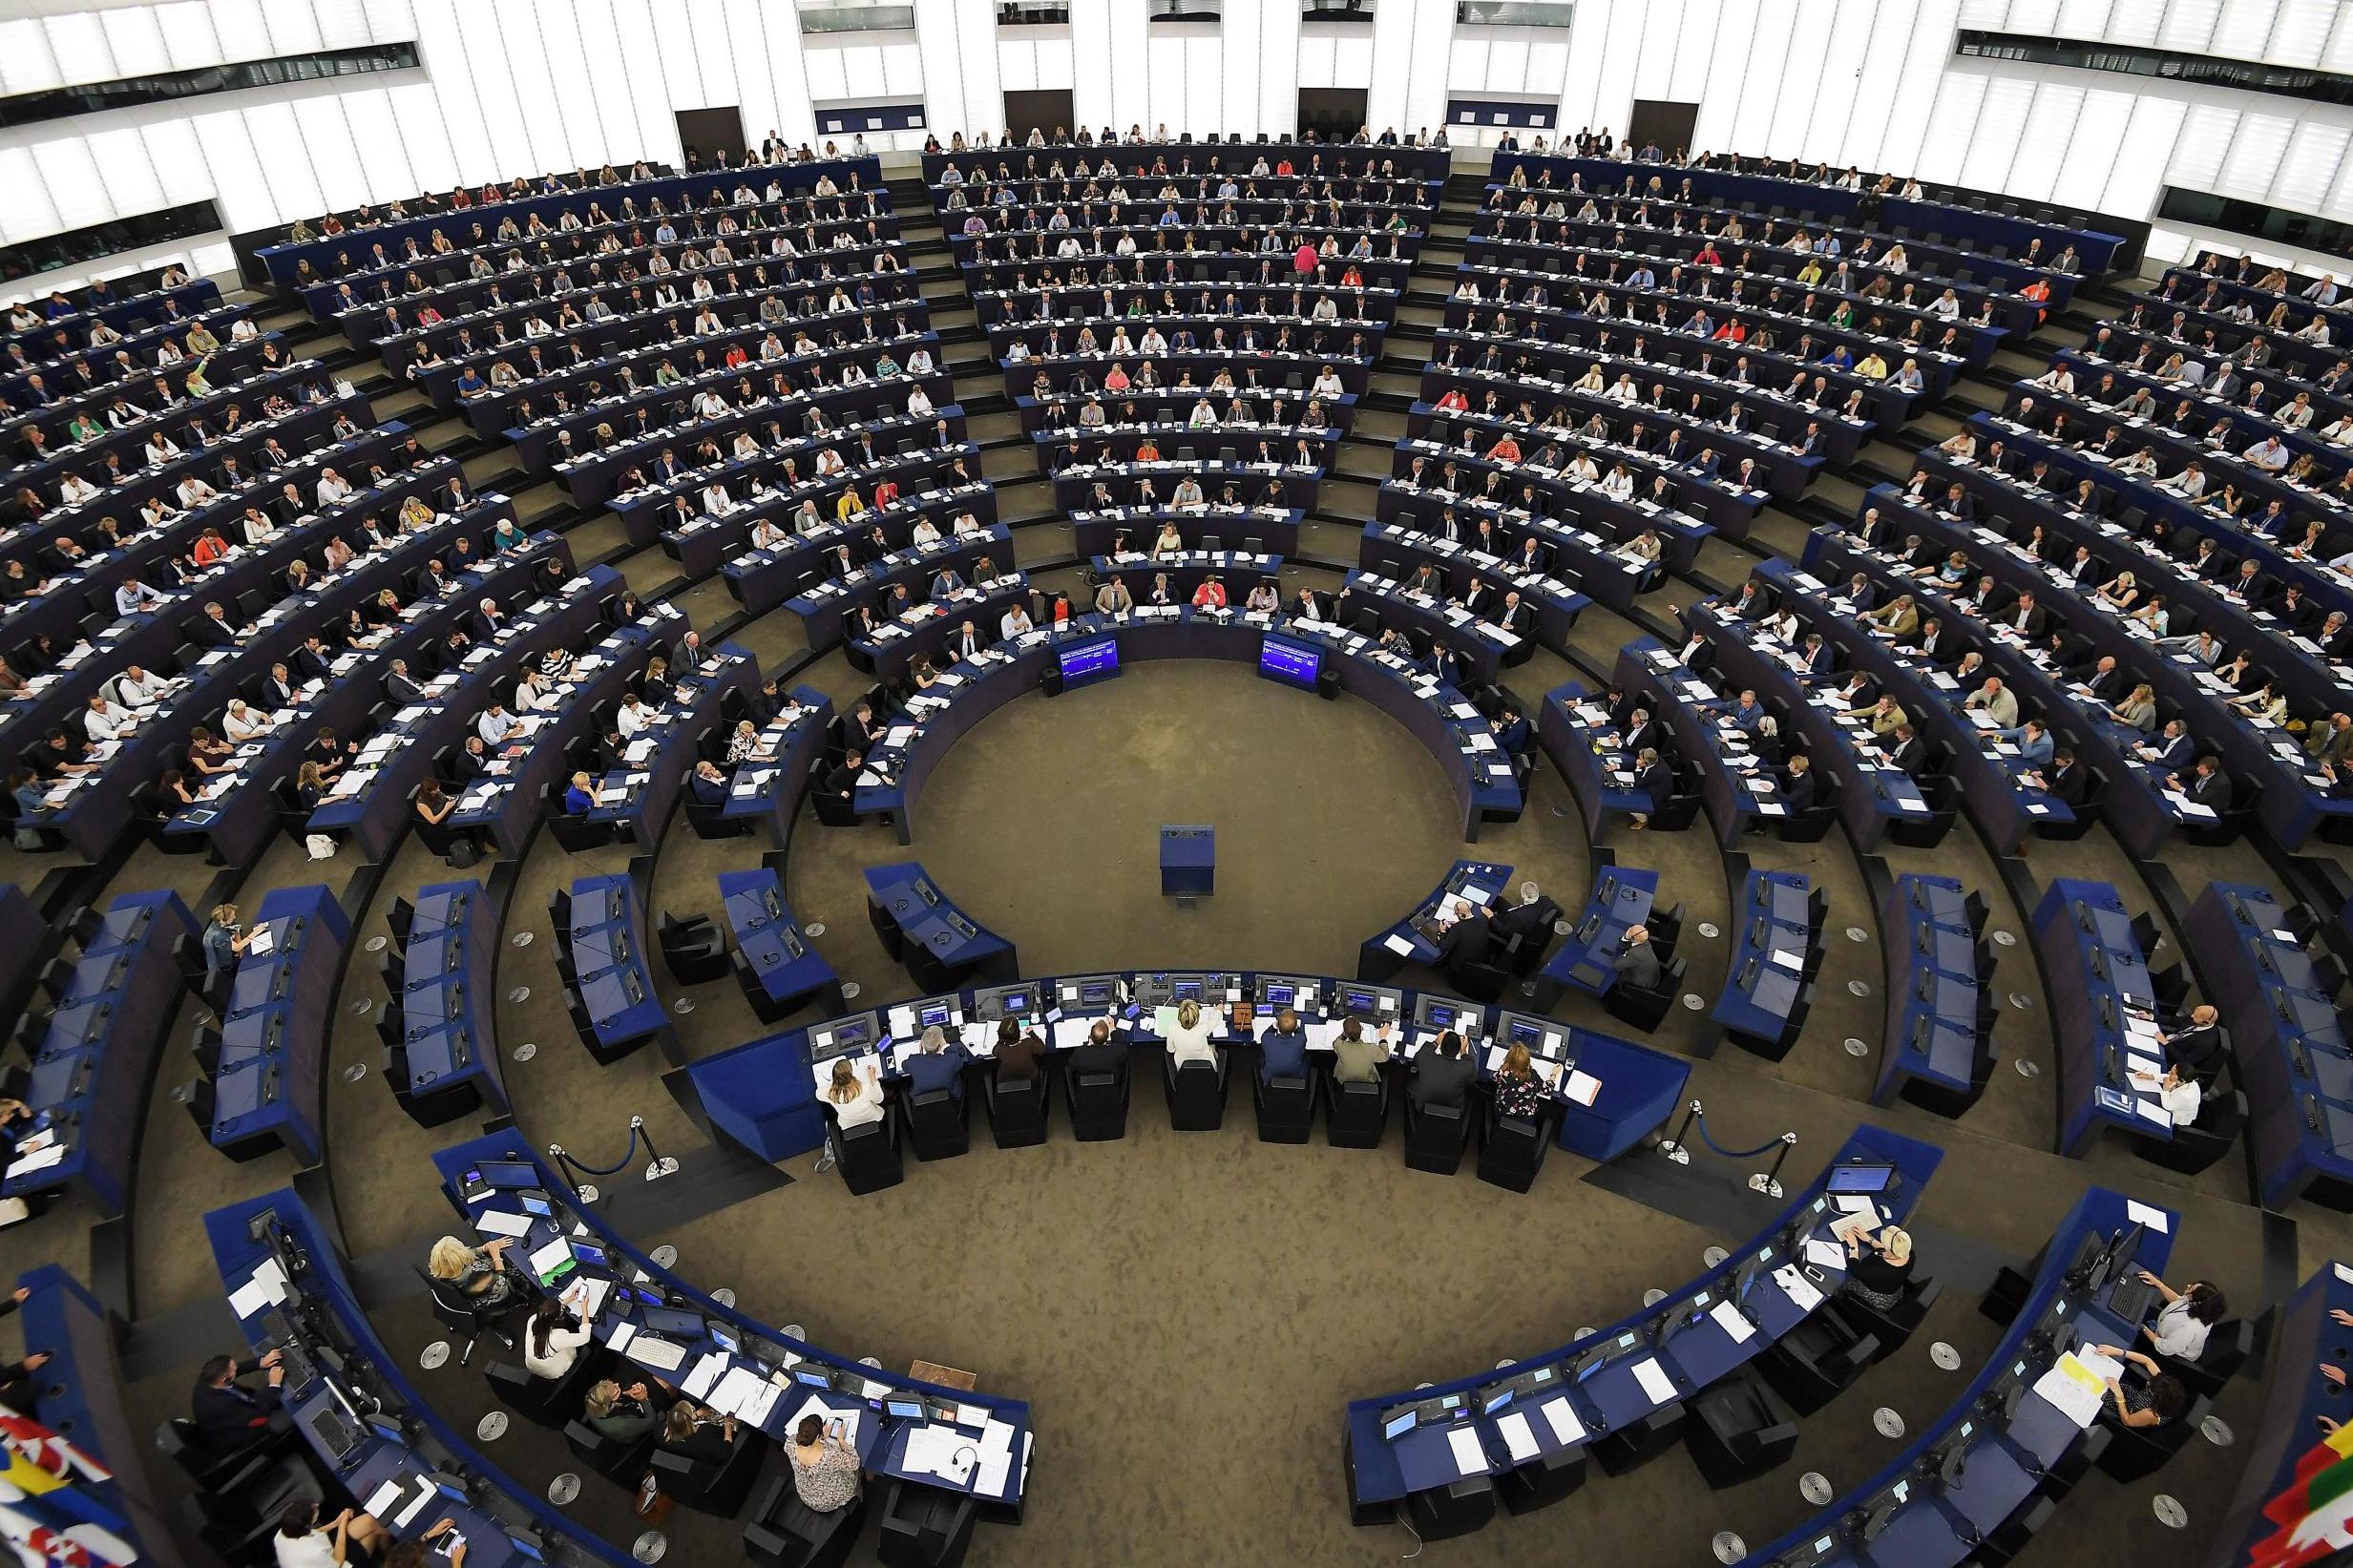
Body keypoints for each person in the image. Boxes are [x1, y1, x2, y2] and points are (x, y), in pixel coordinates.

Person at [190, 1348, 289, 1452]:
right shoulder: (221, 1406)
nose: (236, 1370)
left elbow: (235, 1369)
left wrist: (261, 1362)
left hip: (244, 1408)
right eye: (234, 1371)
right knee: (292, 1408)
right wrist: (273, 1384)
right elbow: (259, 1415)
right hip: (245, 1431)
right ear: (225, 1380)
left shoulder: (209, 1376)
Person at [2087, 1344, 2189, 1430]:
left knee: (2090, 1388)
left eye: (2150, 1386)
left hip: (2127, 1408)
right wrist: (2118, 1352)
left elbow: (2127, 1420)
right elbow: (2147, 1361)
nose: (2148, 1382)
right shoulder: (2164, 1385)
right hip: (2132, 1395)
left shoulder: (2150, 1414)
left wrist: (2119, 1396)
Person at [2134, 1271, 2226, 1362]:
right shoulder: (2203, 1308)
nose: (2188, 1285)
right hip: (2162, 1325)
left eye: (2191, 1289)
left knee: (2131, 1320)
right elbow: (2178, 1301)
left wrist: (2142, 1327)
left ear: (2197, 1303)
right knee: (2138, 1308)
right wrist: (2158, 1284)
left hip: (2164, 1350)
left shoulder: (2189, 1328)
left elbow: (2164, 1347)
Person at [272, 1500, 389, 1568]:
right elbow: (338, 1560)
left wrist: (337, 1522)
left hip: (326, 1551)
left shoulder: (282, 1534)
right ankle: (391, 1558)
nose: (317, 1505)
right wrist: (343, 1523)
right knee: (376, 1529)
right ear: (307, 1525)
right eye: (314, 1511)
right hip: (339, 1563)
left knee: (371, 1521)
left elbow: (315, 1533)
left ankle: (388, 1554)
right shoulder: (313, 1553)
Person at [787, 1411, 863, 1513]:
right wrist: (841, 1440)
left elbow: (807, 1447)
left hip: (806, 1495)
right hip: (827, 1500)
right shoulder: (829, 1456)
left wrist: (823, 1438)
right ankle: (859, 1494)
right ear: (818, 1436)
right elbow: (854, 1463)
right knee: (856, 1472)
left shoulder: (790, 1444)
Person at [427, 1234, 524, 1311]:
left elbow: (467, 1252)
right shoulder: (476, 1280)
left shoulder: (444, 1267)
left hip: (476, 1291)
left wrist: (486, 1247)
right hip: (497, 1295)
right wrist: (496, 1256)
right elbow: (501, 1282)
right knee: (520, 1267)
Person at [1840, 1224, 1914, 1311]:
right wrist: (1869, 1239)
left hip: (1871, 1296)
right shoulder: (1908, 1253)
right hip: (1891, 1288)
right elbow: (1886, 1250)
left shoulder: (1880, 1271)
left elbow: (1855, 1269)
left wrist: (1854, 1247)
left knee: (1840, 1284)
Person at [522, 1293, 593, 1380]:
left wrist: (569, 1299)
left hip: (533, 1364)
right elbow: (585, 1337)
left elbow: (550, 1315)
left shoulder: (533, 1319)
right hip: (553, 1370)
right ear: (556, 1319)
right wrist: (584, 1308)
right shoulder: (557, 1338)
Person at [659, 1399, 739, 1466]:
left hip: (691, 1458)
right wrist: (728, 1426)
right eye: (692, 1410)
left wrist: (695, 1415)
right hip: (716, 1461)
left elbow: (679, 1424)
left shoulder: (660, 1434)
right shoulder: (704, 1436)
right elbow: (726, 1452)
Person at [2162, 1004, 2229, 1082]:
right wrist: (2152, 1017)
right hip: (2165, 1042)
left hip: (2168, 1057)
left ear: (2205, 1022)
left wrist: (2166, 1043)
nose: (2192, 1016)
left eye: (2196, 1016)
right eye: (2194, 1013)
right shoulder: (2197, 1018)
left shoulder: (2205, 1044)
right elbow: (2173, 1020)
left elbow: (2184, 1062)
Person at [1409, 1030, 1475, 1109]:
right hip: (1452, 1111)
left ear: (1441, 1047)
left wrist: (1436, 1042)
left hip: (1421, 1106)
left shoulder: (1425, 1057)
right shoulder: (1466, 1068)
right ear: (1458, 1051)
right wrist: (1463, 1050)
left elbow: (1419, 1055)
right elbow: (1472, 1078)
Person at [905, 1023, 973, 1100]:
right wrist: (945, 1046)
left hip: (921, 1102)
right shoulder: (952, 1060)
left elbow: (904, 1065)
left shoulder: (913, 1062)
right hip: (952, 1099)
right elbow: (961, 1058)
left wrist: (920, 1056)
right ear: (940, 1044)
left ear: (922, 1045)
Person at [583, 1378, 660, 1442]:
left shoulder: (592, 1403)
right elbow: (652, 1423)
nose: (617, 1384)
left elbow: (610, 1400)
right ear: (611, 1404)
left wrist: (626, 1393)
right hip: (631, 1430)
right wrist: (644, 1400)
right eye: (616, 1390)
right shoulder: (620, 1425)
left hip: (621, 1420)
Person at [823, 1056, 886, 1130]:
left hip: (848, 1126)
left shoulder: (829, 1093)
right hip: (873, 1120)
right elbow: (879, 1099)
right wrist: (872, 1076)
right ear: (851, 1074)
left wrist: (832, 1085)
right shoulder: (864, 1088)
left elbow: (818, 1094)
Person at [1490, 1042, 1546, 1119]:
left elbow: (1495, 1077)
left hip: (1503, 1110)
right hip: (1525, 1114)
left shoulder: (1503, 1072)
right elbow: (1546, 1090)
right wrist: (1553, 1075)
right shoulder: (1532, 1076)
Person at [1163, 997, 1221, 1070]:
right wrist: (1219, 1011)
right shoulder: (1204, 1027)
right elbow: (1214, 1022)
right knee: (1212, 1047)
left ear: (1180, 1016)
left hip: (1182, 1070)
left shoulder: (1172, 1028)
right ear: (1197, 1017)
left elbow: (1170, 1050)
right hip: (1207, 1069)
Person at [1433, 898, 1490, 968]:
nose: (1455, 914)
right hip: (1480, 959)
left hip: (1461, 965)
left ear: (1461, 915)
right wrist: (1460, 923)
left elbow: (1445, 947)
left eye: (1456, 913)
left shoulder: (1458, 928)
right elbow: (1469, 929)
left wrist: (1442, 931)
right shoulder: (1482, 921)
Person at [1258, 1007, 1309, 1086]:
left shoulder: (1267, 1039)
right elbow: (1301, 1033)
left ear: (1278, 1024)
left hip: (1269, 1082)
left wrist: (1273, 1026)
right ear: (1295, 1027)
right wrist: (1295, 1027)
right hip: (1296, 1080)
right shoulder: (1300, 1040)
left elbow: (1266, 1033)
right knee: (1308, 1057)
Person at [995, 1017, 1044, 1085]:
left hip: (1007, 1081)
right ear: (1018, 1033)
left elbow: (994, 1052)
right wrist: (1032, 1034)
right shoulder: (1028, 1043)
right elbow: (1042, 1050)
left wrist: (1001, 1040)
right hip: (1030, 1080)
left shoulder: (999, 1048)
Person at [1615, 924, 1662, 989]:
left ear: (1633, 938)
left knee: (1615, 977)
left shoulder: (1635, 954)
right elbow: (1624, 945)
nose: (1628, 929)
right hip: (1652, 976)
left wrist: (1624, 955)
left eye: (1630, 930)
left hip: (1642, 984)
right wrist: (1626, 937)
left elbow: (1617, 966)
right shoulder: (1645, 942)